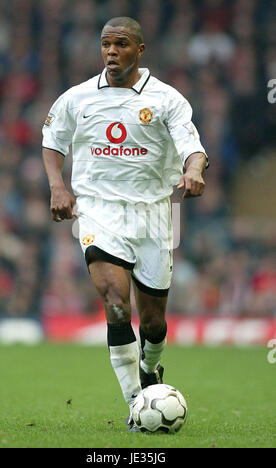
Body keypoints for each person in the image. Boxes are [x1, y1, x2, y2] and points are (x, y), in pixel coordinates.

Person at [42, 17, 207, 431]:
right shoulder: (76, 98)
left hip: (153, 214)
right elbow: (52, 141)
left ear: (140, 50)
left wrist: (195, 170)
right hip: (99, 212)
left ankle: (151, 371)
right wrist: (56, 187)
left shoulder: (167, 99)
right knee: (115, 299)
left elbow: (193, 147)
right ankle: (137, 404)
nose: (111, 52)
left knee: (152, 322)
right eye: (105, 44)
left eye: (121, 44)